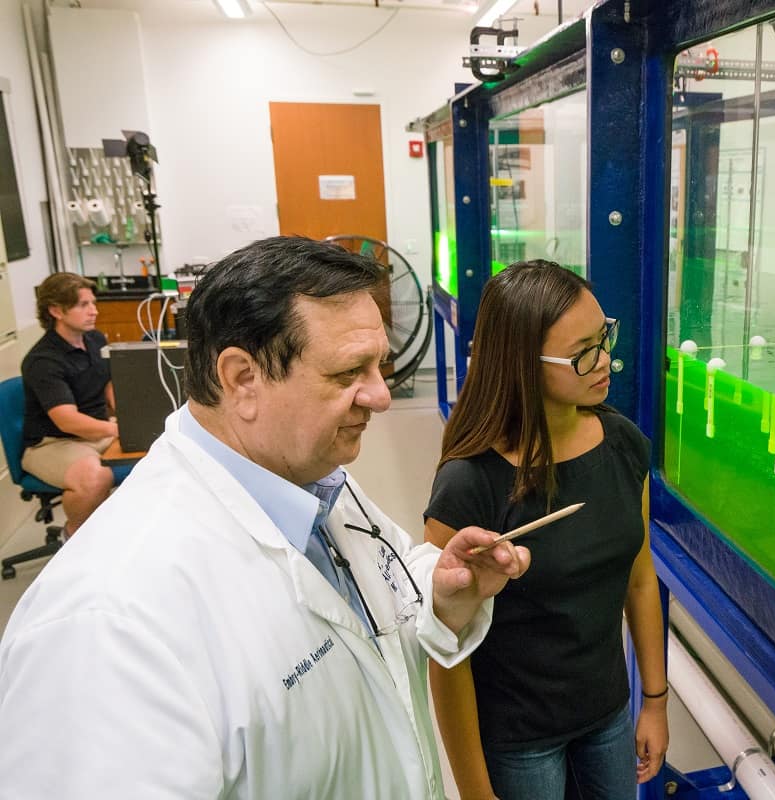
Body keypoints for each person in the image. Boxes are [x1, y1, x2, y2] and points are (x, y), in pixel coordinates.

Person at [0, 236, 530, 799]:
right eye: (349, 371)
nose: (379, 396)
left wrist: (443, 591)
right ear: (242, 379)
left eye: (379, 364)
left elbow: (383, 586)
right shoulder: (107, 625)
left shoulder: (313, 476)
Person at [424, 260, 668, 800]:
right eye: (583, 352)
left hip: (607, 714)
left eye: (604, 337)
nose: (605, 361)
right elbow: (446, 650)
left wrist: (654, 700)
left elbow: (640, 578)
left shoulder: (624, 445)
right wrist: (475, 792)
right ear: (522, 364)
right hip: (519, 738)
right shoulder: (470, 483)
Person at [20, 272, 119, 536]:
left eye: (93, 303)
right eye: (83, 305)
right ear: (55, 310)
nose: (93, 311)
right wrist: (115, 430)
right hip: (54, 442)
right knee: (95, 478)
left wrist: (129, 418)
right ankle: (72, 535)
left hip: (97, 429)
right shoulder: (43, 360)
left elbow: (108, 384)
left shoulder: (95, 339)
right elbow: (67, 420)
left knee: (159, 446)